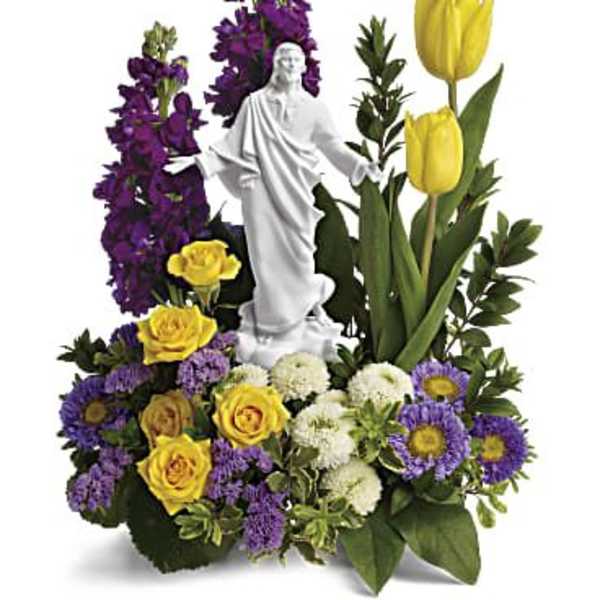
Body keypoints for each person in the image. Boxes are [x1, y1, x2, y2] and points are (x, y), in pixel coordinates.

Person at [166, 42, 382, 367]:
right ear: (276, 66)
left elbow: (332, 146)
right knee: (266, 262)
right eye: (284, 59)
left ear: (304, 66)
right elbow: (230, 146)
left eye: (295, 60)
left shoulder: (314, 109)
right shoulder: (254, 105)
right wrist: (197, 161)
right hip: (260, 196)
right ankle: (270, 329)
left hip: (297, 196)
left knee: (300, 258)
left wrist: (360, 166)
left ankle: (303, 316)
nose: (290, 64)